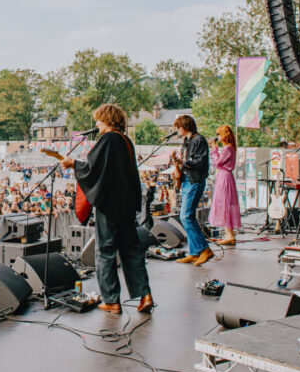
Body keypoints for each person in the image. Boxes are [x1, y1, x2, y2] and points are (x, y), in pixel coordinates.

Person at [59, 103, 153, 314]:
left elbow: (93, 169)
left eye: (99, 119)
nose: (96, 123)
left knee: (106, 251)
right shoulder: (126, 141)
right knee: (131, 251)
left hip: (109, 206)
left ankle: (111, 300)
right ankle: (144, 295)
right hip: (127, 205)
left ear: (108, 120)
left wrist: (72, 163)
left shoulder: (108, 139)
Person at [170, 115, 213, 265]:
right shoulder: (187, 142)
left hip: (195, 181)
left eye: (178, 127)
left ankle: (204, 249)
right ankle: (194, 252)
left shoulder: (199, 140)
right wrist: (177, 164)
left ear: (185, 126)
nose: (177, 130)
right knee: (187, 216)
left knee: (186, 216)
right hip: (188, 180)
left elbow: (200, 162)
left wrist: (184, 162)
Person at [208, 125, 240, 247]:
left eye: (219, 134)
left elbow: (217, 163)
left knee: (224, 204)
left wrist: (214, 150)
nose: (217, 137)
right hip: (225, 176)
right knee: (225, 204)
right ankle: (229, 234)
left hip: (224, 177)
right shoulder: (230, 148)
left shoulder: (227, 149)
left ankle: (230, 235)